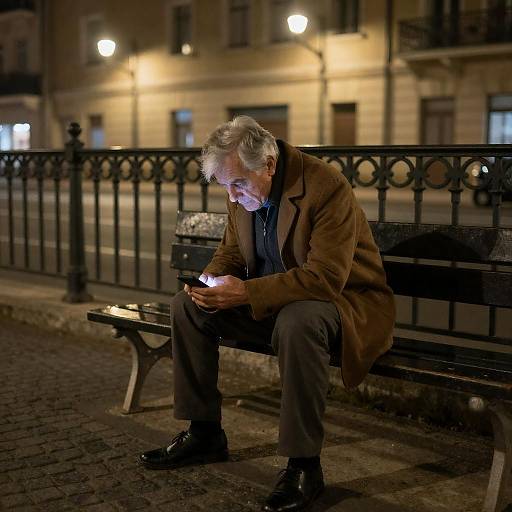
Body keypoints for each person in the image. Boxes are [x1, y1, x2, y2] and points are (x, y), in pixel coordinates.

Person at [139, 116, 395, 512]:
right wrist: (214, 280)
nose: (232, 194)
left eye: (238, 184)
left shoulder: (325, 186)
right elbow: (233, 252)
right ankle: (203, 432)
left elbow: (325, 279)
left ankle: (303, 464)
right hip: (273, 300)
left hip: (340, 305)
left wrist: (245, 292)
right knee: (187, 306)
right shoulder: (240, 185)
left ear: (269, 165)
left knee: (300, 321)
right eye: (225, 186)